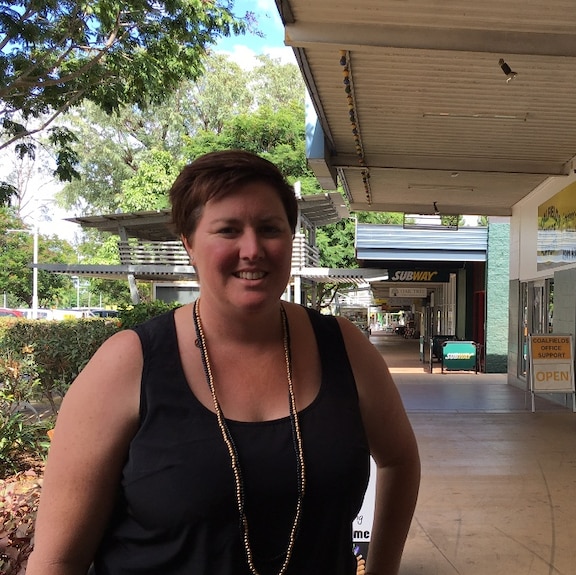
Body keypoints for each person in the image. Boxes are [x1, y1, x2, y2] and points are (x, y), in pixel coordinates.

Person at [28, 150, 421, 575]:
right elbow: (57, 559)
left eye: (270, 229)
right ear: (190, 245)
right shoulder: (128, 363)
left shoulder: (345, 348)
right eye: (228, 230)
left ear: (290, 240)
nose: (252, 250)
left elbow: (400, 460)